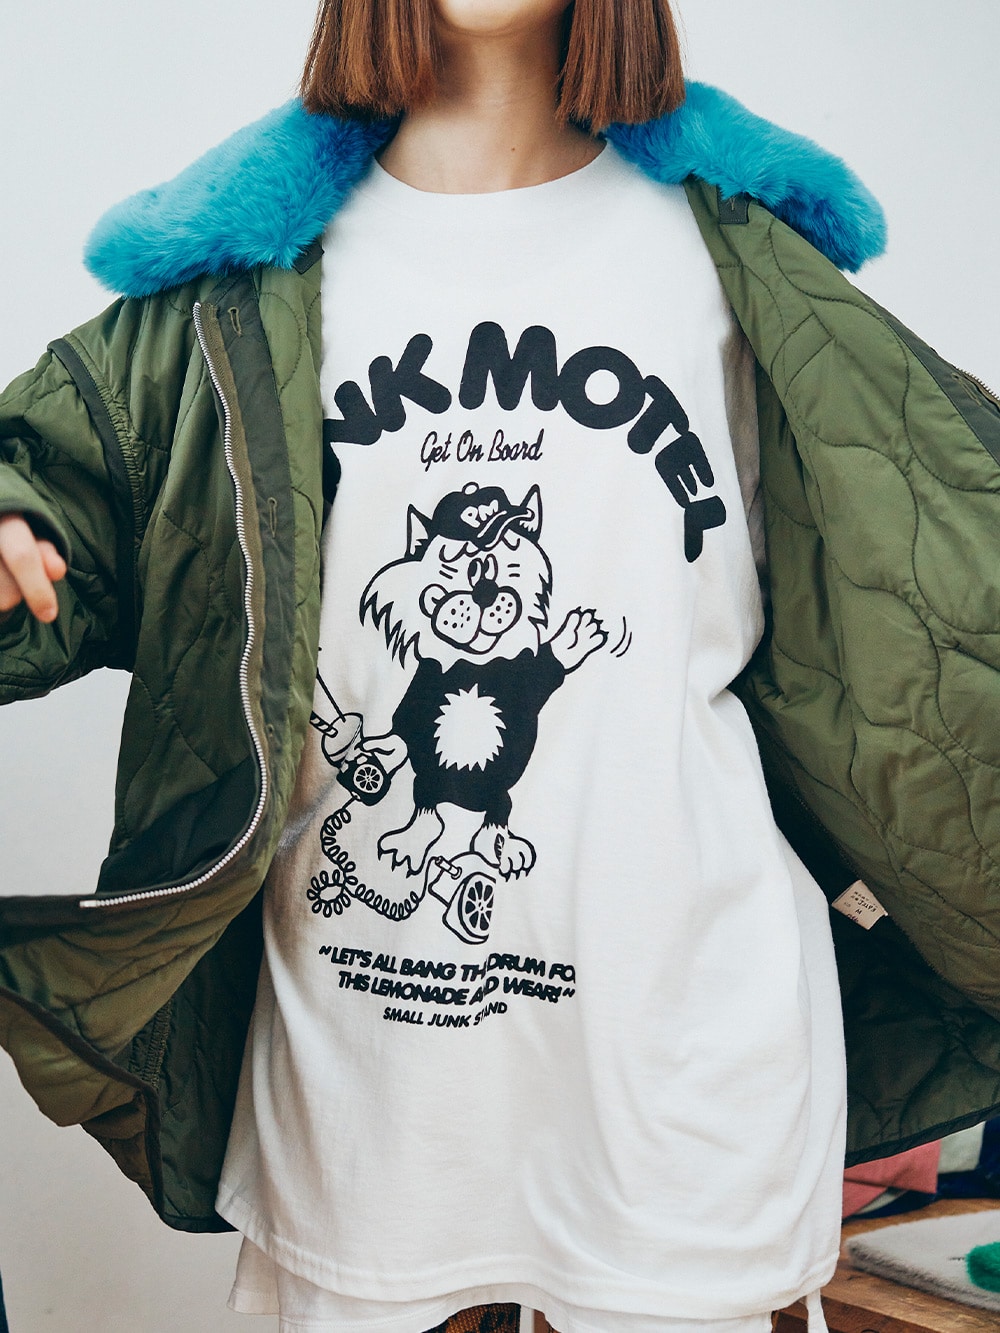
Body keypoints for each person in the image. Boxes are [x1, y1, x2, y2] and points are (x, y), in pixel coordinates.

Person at [2, 4, 999, 1333]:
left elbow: (931, 582)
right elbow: (54, 499)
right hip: (365, 1083)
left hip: (683, 1068)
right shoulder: (238, 279)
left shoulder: (742, 252)